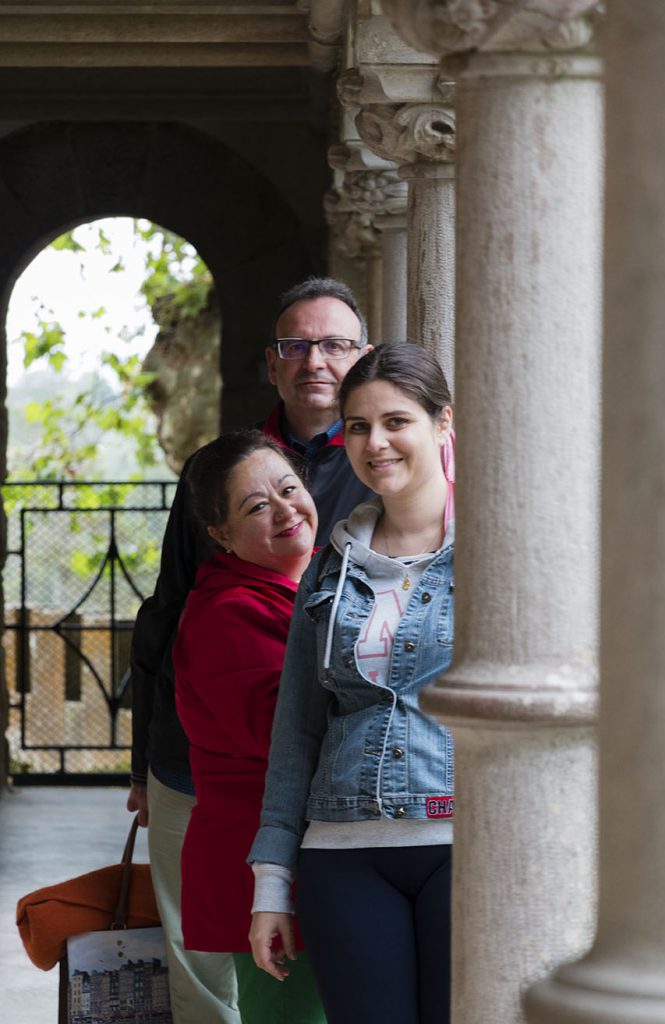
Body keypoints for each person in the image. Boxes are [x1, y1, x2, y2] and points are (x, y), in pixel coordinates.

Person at [126, 277, 372, 1024]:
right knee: (212, 971)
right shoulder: (222, 470)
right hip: (207, 752)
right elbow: (167, 611)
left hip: (321, 795)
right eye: (296, 346)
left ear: (362, 357)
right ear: (271, 363)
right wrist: (142, 760)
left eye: (334, 344)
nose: (314, 361)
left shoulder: (384, 461)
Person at [248, 343, 455, 1024]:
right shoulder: (332, 563)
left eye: (396, 421)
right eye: (358, 426)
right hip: (341, 855)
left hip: (466, 844)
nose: (376, 442)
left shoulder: (496, 554)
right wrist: (271, 886)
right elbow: (298, 725)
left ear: (441, 424)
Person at [173, 430, 326, 1024]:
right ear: (221, 536)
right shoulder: (228, 614)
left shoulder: (307, 584)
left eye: (289, 489)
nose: (286, 510)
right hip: (267, 870)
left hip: (304, 859)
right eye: (257, 506)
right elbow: (290, 739)